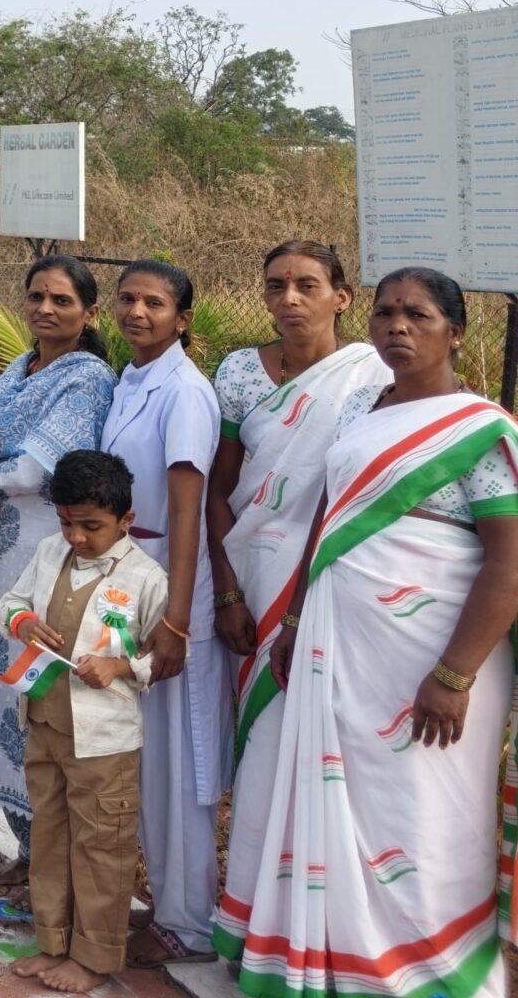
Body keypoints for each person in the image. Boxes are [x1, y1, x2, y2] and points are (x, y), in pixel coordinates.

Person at [218, 267, 518, 998]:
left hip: (432, 657)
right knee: (334, 794)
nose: (396, 327)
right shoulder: (362, 409)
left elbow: (508, 563)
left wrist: (454, 676)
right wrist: (293, 620)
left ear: (456, 332)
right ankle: (326, 960)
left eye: (417, 315)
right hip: (337, 641)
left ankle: (426, 969)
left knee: (417, 807)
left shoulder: (482, 429)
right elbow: (328, 517)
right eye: (385, 313)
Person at [207, 238, 388, 948]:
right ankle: (249, 912)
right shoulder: (239, 372)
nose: (289, 299)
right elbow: (221, 488)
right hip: (253, 574)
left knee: (315, 745)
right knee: (259, 744)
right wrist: (227, 593)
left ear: (341, 298)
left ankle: (314, 925)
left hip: (327, 583)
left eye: (307, 285)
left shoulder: (373, 377)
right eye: (276, 285)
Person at [0, 449, 171, 994]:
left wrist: (119, 667)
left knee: (101, 845)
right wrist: (24, 623)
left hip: (104, 742)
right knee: (50, 835)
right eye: (67, 523)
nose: (76, 537)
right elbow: (10, 603)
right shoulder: (50, 552)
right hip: (45, 725)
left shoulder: (146, 577)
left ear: (125, 519)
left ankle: (93, 958)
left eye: (91, 526)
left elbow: (164, 657)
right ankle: (53, 941)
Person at [98, 258, 224, 968]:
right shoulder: (131, 380)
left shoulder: (185, 392)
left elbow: (186, 512)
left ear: (183, 318)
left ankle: (189, 922)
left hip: (172, 584)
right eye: (128, 299)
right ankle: (165, 907)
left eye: (154, 303)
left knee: (178, 760)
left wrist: (175, 621)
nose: (137, 312)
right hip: (131, 581)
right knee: (142, 752)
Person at [0, 253, 116, 880]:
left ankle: (53, 860)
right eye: (36, 296)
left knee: (39, 689)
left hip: (48, 545)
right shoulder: (18, 369)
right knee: (5, 685)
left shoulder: (87, 378)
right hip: (3, 553)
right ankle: (28, 850)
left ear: (89, 313)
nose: (45, 309)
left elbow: (37, 471)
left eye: (62, 300)